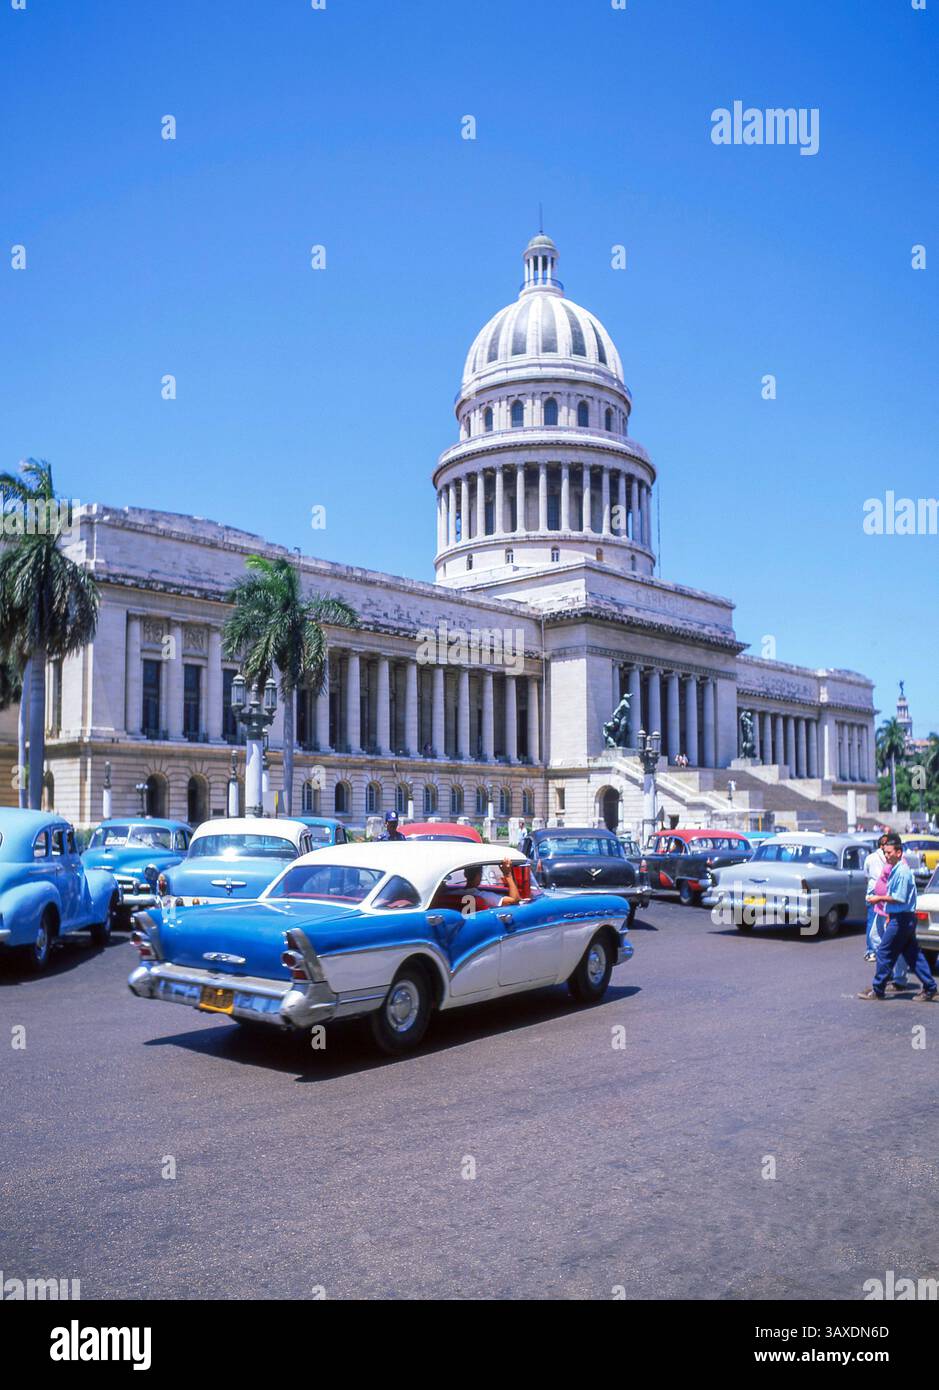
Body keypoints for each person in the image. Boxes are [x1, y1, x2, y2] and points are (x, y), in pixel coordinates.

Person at [858, 833, 936, 1001]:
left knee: (884, 952)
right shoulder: (896, 869)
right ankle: (930, 988)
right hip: (902, 917)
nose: (886, 856)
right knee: (913, 955)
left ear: (899, 853)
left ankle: (878, 989)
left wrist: (878, 898)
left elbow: (898, 897)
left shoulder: (901, 871)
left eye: (889, 852)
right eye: (885, 853)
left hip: (901, 919)